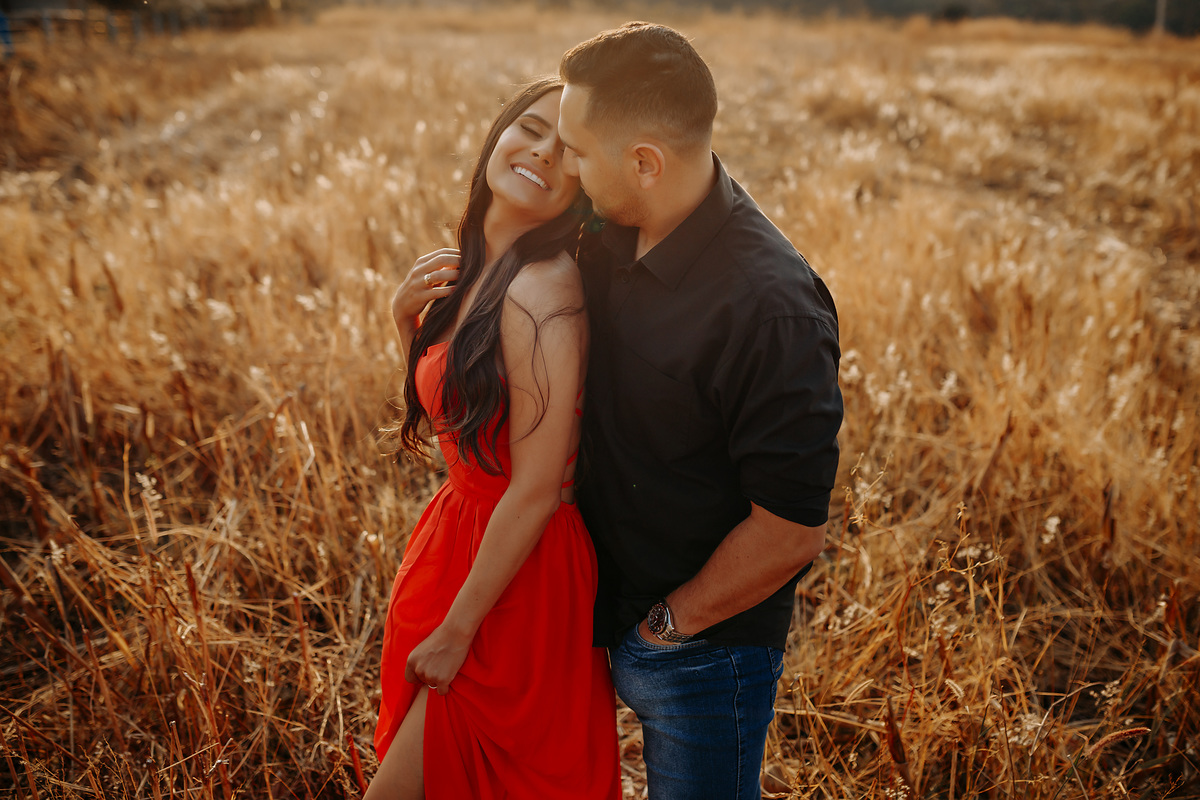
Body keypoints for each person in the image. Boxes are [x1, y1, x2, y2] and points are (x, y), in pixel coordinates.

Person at [557, 22, 844, 800]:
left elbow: (790, 529)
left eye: (578, 152)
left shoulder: (771, 308)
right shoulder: (607, 230)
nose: (567, 170)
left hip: (700, 653)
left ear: (644, 162)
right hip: (593, 606)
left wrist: (662, 634)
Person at [367, 78, 620, 800]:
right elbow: (461, 426)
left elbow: (538, 487)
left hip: (517, 581)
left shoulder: (545, 288)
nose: (542, 153)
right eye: (531, 128)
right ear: (498, 133)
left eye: (567, 152)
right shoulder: (469, 270)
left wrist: (459, 630)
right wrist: (404, 328)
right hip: (459, 543)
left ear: (583, 190)